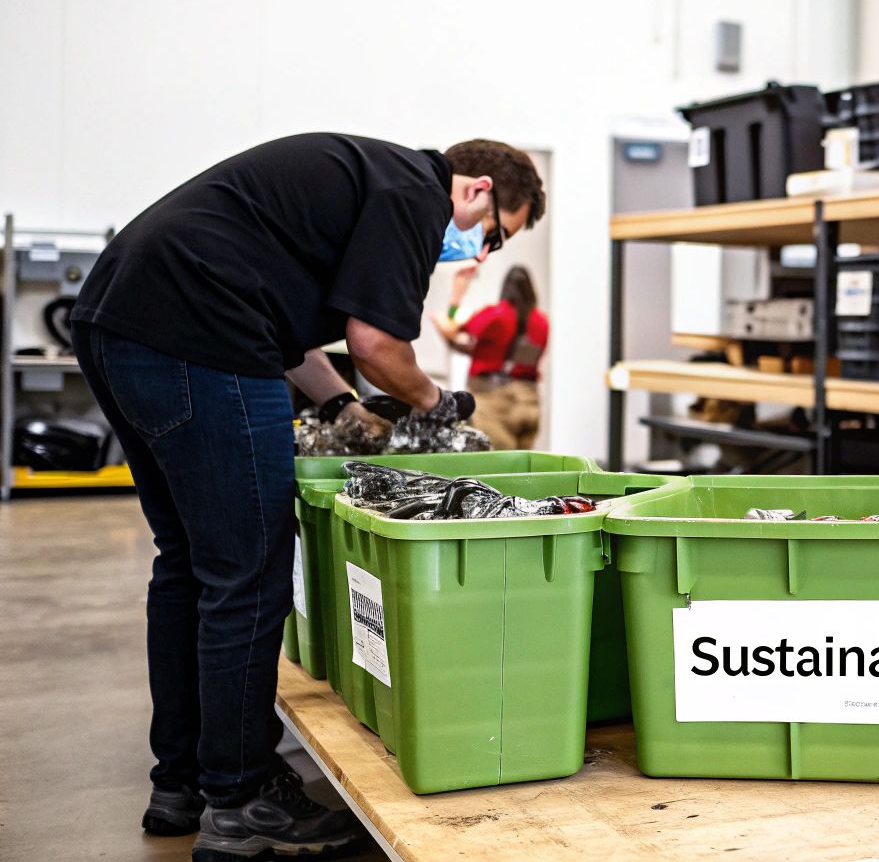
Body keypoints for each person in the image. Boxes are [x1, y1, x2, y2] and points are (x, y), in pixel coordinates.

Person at [70, 134, 545, 861]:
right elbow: (378, 343)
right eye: (492, 235)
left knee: (190, 562)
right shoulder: (414, 195)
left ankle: (184, 785)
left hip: (119, 322)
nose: (479, 255)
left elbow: (298, 339)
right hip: (201, 331)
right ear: (476, 189)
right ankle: (241, 799)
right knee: (249, 570)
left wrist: (343, 408)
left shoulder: (364, 184)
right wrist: (440, 403)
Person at [432, 264, 548, 450]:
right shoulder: (542, 322)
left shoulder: (496, 315)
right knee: (523, 468)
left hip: (494, 402)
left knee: (498, 466)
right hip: (529, 401)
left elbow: (451, 327)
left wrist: (456, 296)